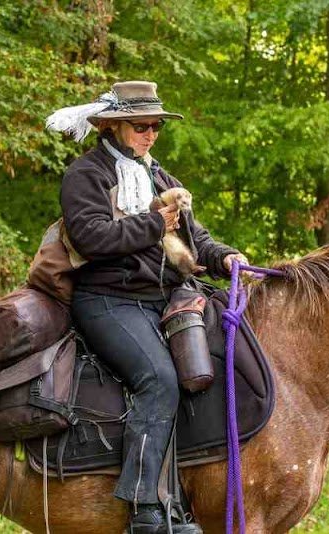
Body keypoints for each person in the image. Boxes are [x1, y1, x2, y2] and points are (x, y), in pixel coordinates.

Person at [47, 81, 247, 534]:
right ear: (113, 126)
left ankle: (190, 494)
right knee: (158, 380)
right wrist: (154, 223)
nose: (151, 134)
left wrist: (225, 257)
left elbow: (197, 240)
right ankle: (144, 510)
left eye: (156, 126)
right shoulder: (86, 175)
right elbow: (91, 238)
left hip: (165, 300)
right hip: (107, 300)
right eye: (141, 126)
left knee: (214, 365)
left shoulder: (161, 177)